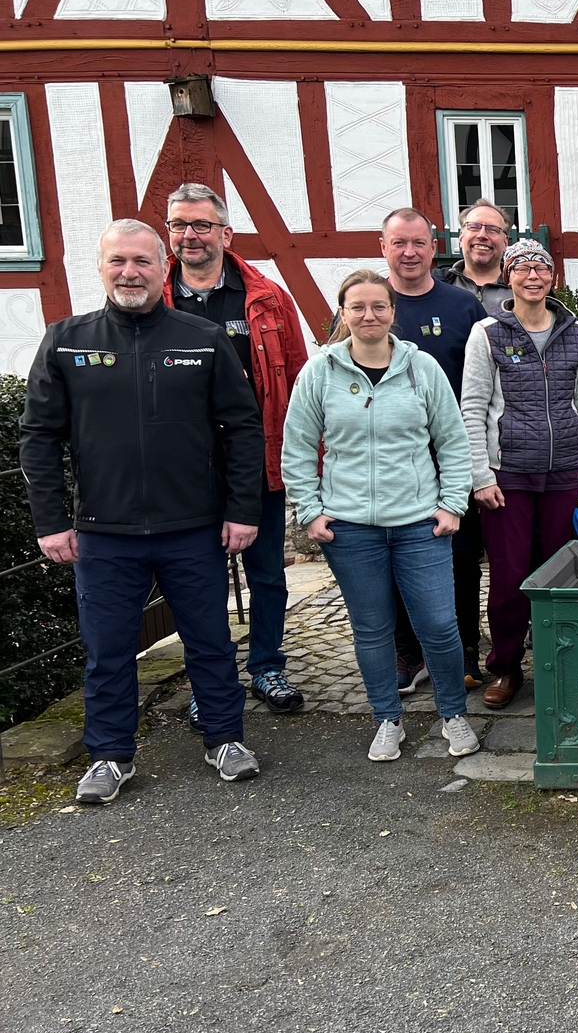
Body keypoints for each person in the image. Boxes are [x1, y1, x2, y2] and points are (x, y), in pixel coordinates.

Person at [20, 220, 265, 804]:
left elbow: (243, 428)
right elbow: (38, 436)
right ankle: (110, 754)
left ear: (164, 268)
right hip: (105, 534)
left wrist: (242, 510)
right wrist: (51, 520)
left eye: (142, 262)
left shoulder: (202, 338)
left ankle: (225, 738)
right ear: (101, 268)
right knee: (108, 649)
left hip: (195, 528)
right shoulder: (66, 340)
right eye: (118, 262)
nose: (130, 273)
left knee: (210, 640)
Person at [282, 269, 481, 763]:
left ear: (393, 312)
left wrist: (452, 504)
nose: (369, 315)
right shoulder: (320, 372)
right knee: (372, 629)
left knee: (438, 624)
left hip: (419, 523)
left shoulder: (422, 368)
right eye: (358, 307)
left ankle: (453, 714)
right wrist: (310, 511)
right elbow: (298, 447)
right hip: (349, 528)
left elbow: (453, 441)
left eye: (379, 306)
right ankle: (386, 719)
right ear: (343, 314)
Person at [162, 182, 311, 713]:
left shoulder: (266, 297)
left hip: (255, 459)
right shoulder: (155, 297)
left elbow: (296, 377)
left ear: (225, 233)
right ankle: (210, 681)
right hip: (180, 468)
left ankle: (268, 667)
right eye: (179, 225)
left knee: (267, 572)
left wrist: (303, 457)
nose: (190, 235)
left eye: (201, 225)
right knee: (195, 580)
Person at [461, 240, 578, 707]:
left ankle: (566, 661)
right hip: (509, 475)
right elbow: (473, 408)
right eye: (522, 267)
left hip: (566, 471)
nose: (533, 275)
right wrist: (480, 476)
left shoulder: (574, 332)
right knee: (509, 577)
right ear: (509, 277)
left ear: (552, 278)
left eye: (541, 267)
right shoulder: (487, 333)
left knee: (565, 574)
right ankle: (505, 668)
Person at [377, 207, 488, 693]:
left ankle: (464, 649)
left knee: (460, 556)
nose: (409, 252)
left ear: (434, 246)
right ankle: (407, 651)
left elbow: (490, 383)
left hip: (451, 455)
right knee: (394, 556)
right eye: (399, 243)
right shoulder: (370, 306)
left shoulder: (464, 307)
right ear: (384, 247)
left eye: (418, 243)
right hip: (390, 460)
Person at [440, 198, 514, 315]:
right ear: (461, 237)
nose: (482, 235)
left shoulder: (520, 286)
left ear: (505, 242)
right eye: (474, 227)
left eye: (492, 229)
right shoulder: (438, 283)